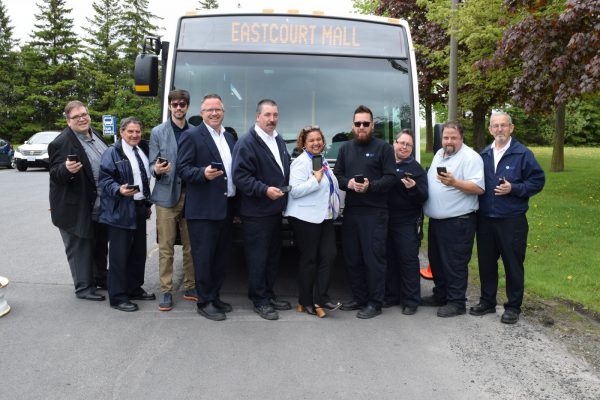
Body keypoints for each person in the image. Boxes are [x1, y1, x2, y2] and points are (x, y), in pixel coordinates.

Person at [470, 112, 545, 324]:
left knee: (513, 263)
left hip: (511, 219)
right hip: (485, 219)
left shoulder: (523, 154)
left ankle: (513, 306)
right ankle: (487, 301)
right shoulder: (484, 154)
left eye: (504, 125)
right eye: (496, 126)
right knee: (486, 263)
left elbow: (538, 181)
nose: (500, 129)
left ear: (511, 128)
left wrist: (515, 189)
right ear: (490, 129)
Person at [177, 94, 236, 321]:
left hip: (226, 206)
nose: (214, 113)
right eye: (209, 110)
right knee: (204, 258)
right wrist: (202, 173)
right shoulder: (191, 136)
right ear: (201, 113)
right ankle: (204, 301)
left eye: (217, 109)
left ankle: (215, 296)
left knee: (221, 258)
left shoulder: (229, 137)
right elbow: (182, 169)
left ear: (223, 111)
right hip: (202, 210)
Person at [334, 105, 396, 319]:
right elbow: (337, 176)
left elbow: (390, 178)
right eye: (358, 123)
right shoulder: (345, 149)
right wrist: (349, 183)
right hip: (351, 212)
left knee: (374, 259)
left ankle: (375, 303)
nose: (361, 127)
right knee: (352, 258)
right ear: (352, 125)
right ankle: (359, 298)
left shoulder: (384, 148)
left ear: (372, 126)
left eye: (365, 124)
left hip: (375, 213)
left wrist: (371, 186)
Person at [232, 99, 291, 321]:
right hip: (256, 213)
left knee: (272, 257)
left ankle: (269, 294)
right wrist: (264, 190)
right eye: (267, 115)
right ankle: (260, 300)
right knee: (258, 258)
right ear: (257, 116)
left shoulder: (278, 139)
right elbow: (240, 177)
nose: (272, 119)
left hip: (274, 211)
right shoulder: (247, 142)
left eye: (275, 115)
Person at [48, 100, 109, 301]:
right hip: (75, 207)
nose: (82, 119)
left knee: (99, 243)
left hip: (98, 204)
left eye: (84, 114)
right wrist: (66, 170)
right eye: (76, 117)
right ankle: (83, 288)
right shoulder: (61, 142)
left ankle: (100, 277)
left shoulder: (95, 134)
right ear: (68, 121)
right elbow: (56, 173)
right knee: (79, 246)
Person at [423, 121, 484, 317]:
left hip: (459, 221)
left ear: (461, 138)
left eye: (453, 138)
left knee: (454, 263)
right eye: (446, 137)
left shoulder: (470, 157)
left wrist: (454, 182)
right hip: (437, 221)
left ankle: (457, 302)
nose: (449, 141)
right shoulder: (440, 155)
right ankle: (441, 295)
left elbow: (479, 188)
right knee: (437, 261)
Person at [284, 125, 342, 318]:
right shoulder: (301, 163)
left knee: (329, 255)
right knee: (309, 260)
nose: (316, 143)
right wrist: (315, 180)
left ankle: (321, 297)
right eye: (311, 140)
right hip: (305, 218)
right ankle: (305, 301)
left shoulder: (321, 160)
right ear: (304, 143)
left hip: (324, 216)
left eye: (319, 139)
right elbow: (295, 190)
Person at [99, 117, 156, 312]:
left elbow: (145, 178)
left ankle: (134, 288)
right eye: (130, 131)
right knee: (119, 255)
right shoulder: (112, 153)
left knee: (138, 253)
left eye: (138, 132)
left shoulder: (142, 150)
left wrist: (147, 203)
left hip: (139, 207)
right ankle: (118, 297)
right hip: (120, 210)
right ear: (122, 132)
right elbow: (104, 180)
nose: (134, 135)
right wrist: (118, 189)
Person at [149, 89, 196, 311]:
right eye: (175, 104)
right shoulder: (158, 132)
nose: (178, 108)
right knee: (166, 247)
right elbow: (151, 165)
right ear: (169, 106)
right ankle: (166, 291)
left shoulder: (196, 131)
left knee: (190, 246)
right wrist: (157, 169)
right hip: (166, 196)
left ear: (187, 106)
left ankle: (191, 285)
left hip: (191, 195)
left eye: (182, 104)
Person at [384, 129, 428, 315]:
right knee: (389, 258)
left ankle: (411, 300)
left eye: (408, 144)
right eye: (401, 143)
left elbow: (424, 196)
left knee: (408, 260)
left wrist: (413, 188)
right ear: (394, 143)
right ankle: (392, 294)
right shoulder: (385, 164)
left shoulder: (416, 169)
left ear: (412, 148)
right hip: (386, 219)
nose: (403, 147)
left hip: (406, 221)